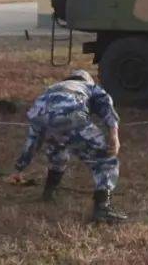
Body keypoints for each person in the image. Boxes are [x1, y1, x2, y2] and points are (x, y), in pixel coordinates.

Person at [9, 69, 126, 224]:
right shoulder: (89, 87)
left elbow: (32, 142)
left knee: (57, 150)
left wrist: (19, 168)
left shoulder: (51, 88)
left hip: (39, 114)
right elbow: (106, 106)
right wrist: (114, 135)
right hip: (71, 114)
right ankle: (102, 208)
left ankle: (49, 193)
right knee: (105, 159)